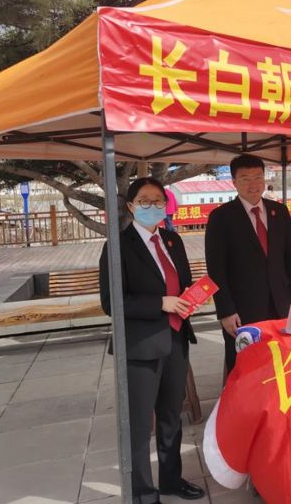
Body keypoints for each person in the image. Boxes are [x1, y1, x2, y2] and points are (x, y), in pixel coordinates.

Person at [99, 177, 205, 503]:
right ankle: (143, 492)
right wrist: (161, 303)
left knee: (171, 416)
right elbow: (113, 302)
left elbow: (182, 284)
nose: (152, 206)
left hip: (176, 339)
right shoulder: (118, 246)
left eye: (158, 200)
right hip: (141, 346)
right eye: (144, 200)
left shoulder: (173, 240)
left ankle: (171, 479)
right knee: (140, 423)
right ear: (131, 206)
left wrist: (192, 297)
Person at [205, 154, 291, 371]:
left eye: (258, 177)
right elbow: (216, 269)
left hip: (282, 305)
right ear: (234, 182)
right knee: (247, 368)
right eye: (245, 178)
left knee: (284, 363)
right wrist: (225, 311)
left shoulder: (279, 212)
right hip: (242, 310)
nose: (253, 184)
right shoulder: (221, 217)